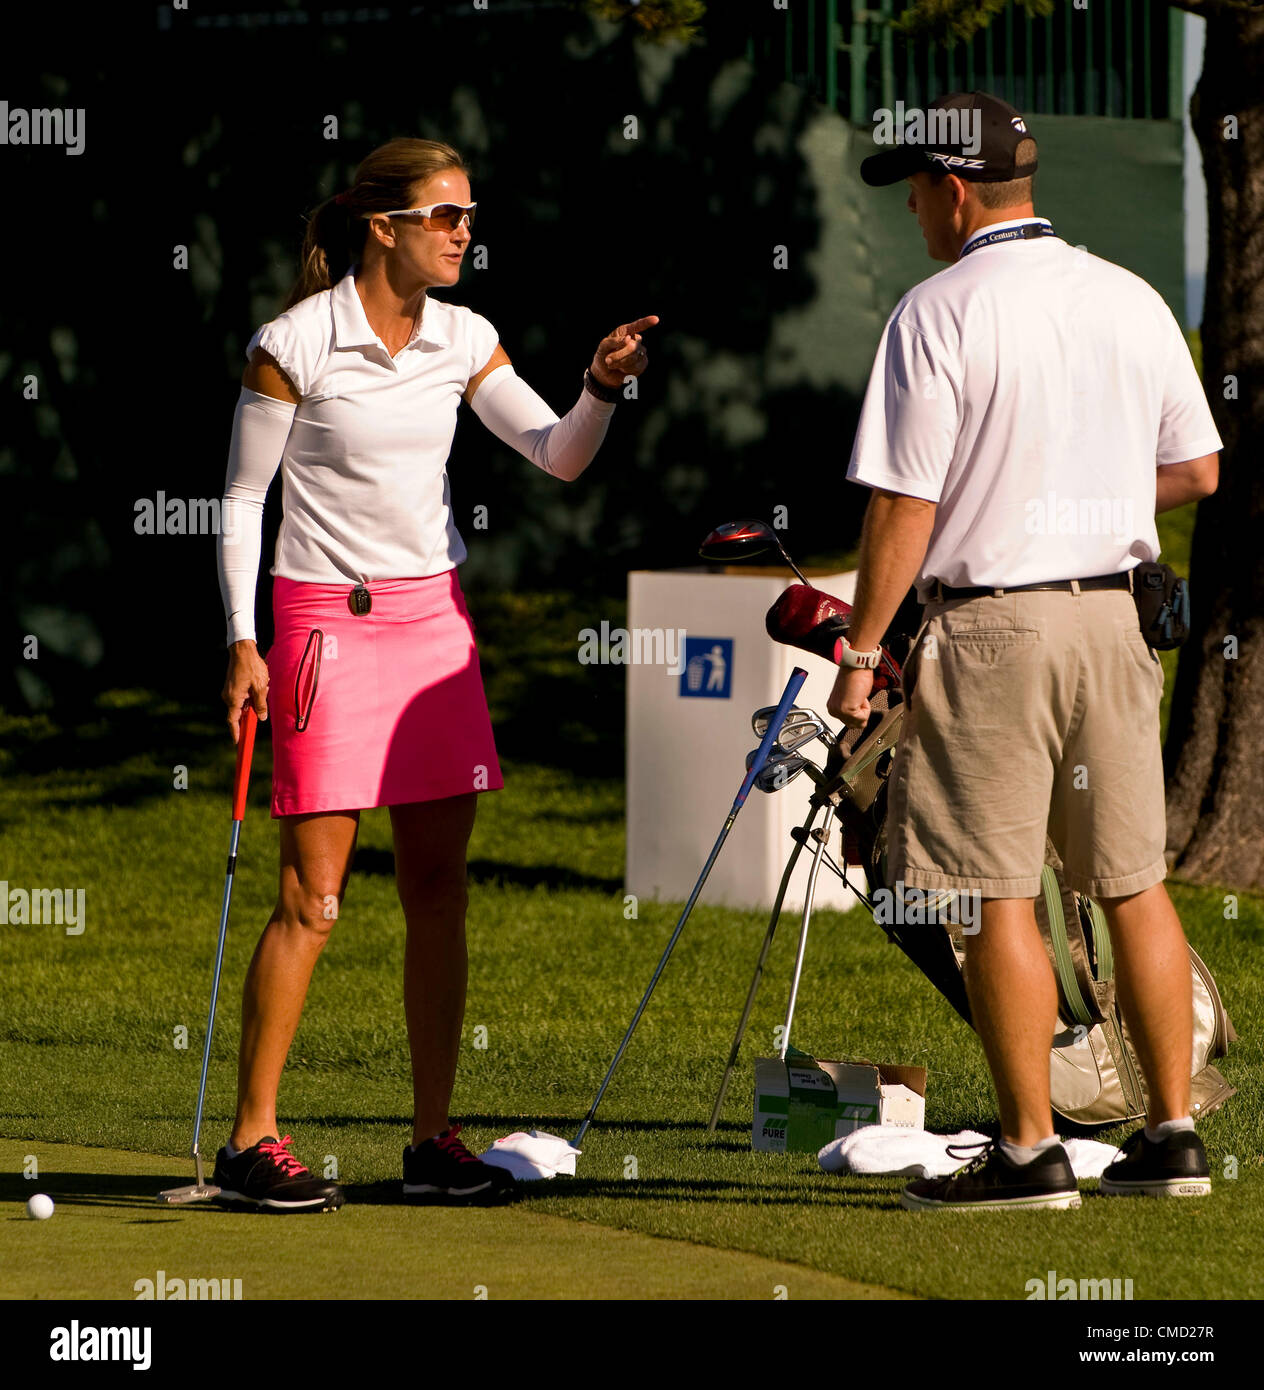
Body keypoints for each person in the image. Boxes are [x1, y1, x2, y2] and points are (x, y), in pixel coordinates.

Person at [214, 136, 657, 1211]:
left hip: (433, 631)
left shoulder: (465, 337)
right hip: (321, 626)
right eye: (446, 216)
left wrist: (599, 389)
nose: (465, 233)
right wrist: (243, 641)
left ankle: (429, 1140)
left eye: (468, 216)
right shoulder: (294, 340)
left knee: (438, 894)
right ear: (385, 226)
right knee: (312, 902)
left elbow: (555, 453)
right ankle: (250, 1141)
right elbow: (240, 502)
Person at [828, 92, 1222, 1211]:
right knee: (1132, 883)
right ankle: (1173, 1134)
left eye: (911, 189)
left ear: (952, 189)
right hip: (1115, 621)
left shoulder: (935, 310)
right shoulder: (1129, 294)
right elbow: (1196, 471)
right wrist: (1075, 492)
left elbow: (904, 504)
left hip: (993, 626)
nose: (910, 210)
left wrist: (861, 655)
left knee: (995, 894)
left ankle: (1028, 1151)